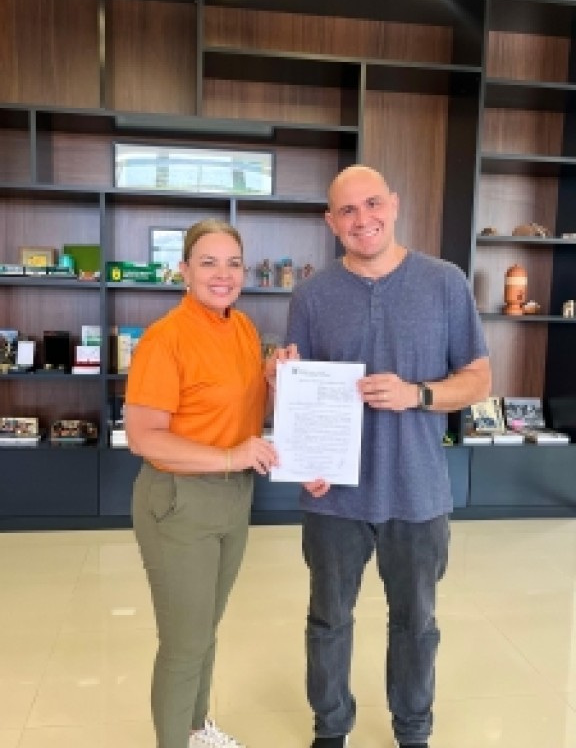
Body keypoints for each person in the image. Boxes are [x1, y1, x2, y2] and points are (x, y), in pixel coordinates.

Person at [284, 165, 491, 748]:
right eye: (347, 211)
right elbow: (302, 391)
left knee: (416, 624)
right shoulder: (312, 295)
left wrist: (416, 395)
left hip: (418, 490)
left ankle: (413, 732)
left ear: (394, 205)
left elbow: (478, 379)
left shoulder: (445, 282)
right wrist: (287, 396)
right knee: (328, 621)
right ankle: (331, 729)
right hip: (333, 496)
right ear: (331, 222)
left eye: (372, 203)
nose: (362, 219)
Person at [124, 218, 279, 748]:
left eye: (233, 263)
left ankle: (194, 729)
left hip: (234, 495)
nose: (222, 274)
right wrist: (230, 455)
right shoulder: (165, 339)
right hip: (180, 501)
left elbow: (244, 410)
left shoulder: (244, 328)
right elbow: (144, 437)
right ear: (184, 270)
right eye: (208, 262)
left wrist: (277, 382)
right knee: (184, 643)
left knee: (205, 628)